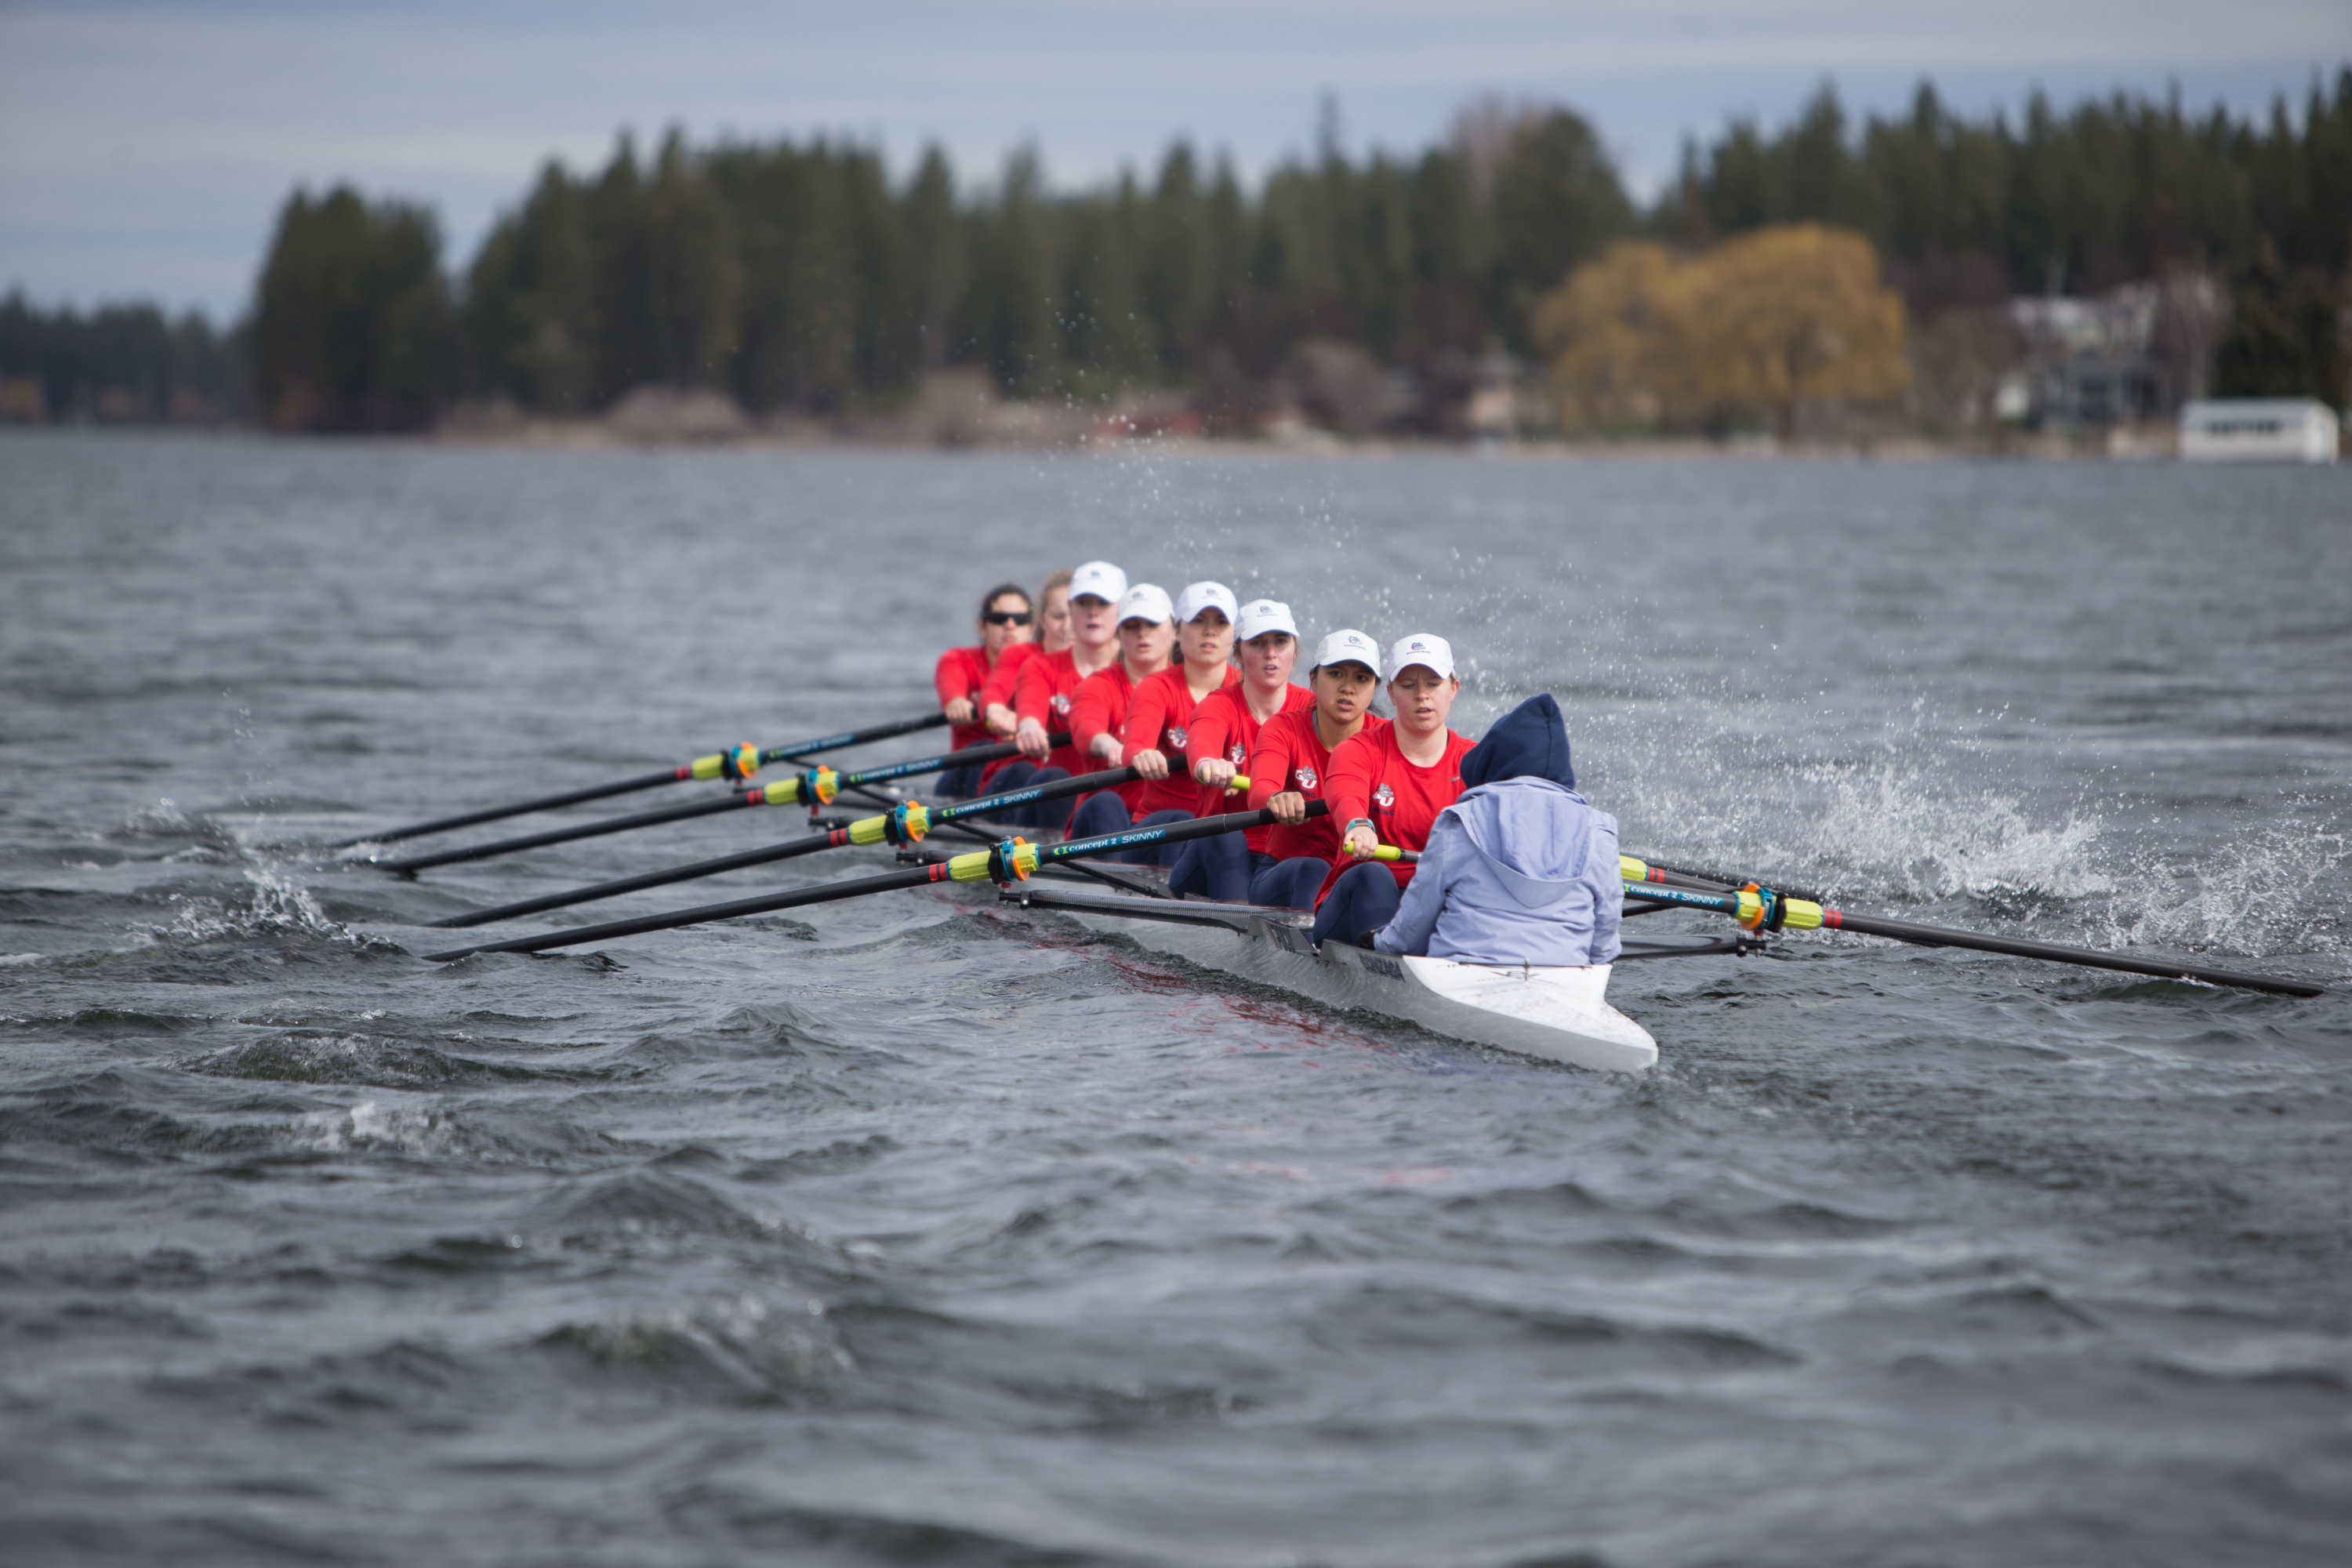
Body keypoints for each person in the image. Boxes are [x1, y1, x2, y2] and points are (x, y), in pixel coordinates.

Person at [1366, 693, 1621, 967]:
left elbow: (1413, 928)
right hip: (1567, 975)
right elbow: (1605, 942)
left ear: (1495, 762)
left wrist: (1379, 943)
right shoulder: (1600, 830)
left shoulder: (1459, 821)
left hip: (1462, 976)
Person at [1308, 633, 1475, 949]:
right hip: (1357, 903)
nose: (1422, 695)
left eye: (1433, 684)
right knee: (1375, 874)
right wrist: (1357, 825)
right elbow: (1346, 794)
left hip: (1433, 902)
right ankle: (1386, 961)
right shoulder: (1359, 750)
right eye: (1408, 685)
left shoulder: (1475, 761)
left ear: (1453, 689)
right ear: (1391, 693)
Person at [1168, 599, 1316, 902]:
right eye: (1258, 643)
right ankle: (1239, 935)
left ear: (1295, 650)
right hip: (1213, 854)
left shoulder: (1314, 711)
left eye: (1280, 641)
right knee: (1227, 838)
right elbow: (1202, 745)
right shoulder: (1218, 704)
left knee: (1312, 867)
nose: (1271, 653)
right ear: (1237, 652)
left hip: (1276, 861)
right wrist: (1208, 764)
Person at [1246, 627, 1385, 908]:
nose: (1348, 687)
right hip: (1284, 872)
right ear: (1313, 678)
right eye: (1335, 674)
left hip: (1353, 877)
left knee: (1378, 876)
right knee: (1315, 869)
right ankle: (1309, 948)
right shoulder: (1284, 728)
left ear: (1375, 689)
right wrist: (1276, 798)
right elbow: (1259, 790)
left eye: (1361, 678)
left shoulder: (1387, 740)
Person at [987, 560, 1125, 831]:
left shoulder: (1148, 668)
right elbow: (1031, 708)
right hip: (1061, 803)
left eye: (1103, 604)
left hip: (1124, 809)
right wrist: (1029, 727)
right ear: (1072, 610)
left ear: (1122, 611)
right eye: (1084, 604)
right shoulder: (1041, 666)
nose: (1093, 613)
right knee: (1051, 777)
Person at [1062, 583, 1181, 858]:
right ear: (1118, 634)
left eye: (1152, 623)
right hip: (1099, 824)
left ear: (1175, 631)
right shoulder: (1098, 686)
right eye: (1131, 625)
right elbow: (1084, 727)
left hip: (1155, 824)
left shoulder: (1193, 689)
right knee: (1106, 802)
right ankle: (1116, 889)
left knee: (1180, 818)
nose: (1142, 633)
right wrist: (1111, 746)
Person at [931, 582, 1034, 798]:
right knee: (983, 747)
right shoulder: (960, 660)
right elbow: (951, 685)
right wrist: (956, 702)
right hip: (962, 782)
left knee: (1027, 771)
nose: (1010, 625)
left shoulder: (1042, 670)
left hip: (1014, 780)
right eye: (999, 619)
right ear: (982, 626)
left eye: (1020, 619)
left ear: (1032, 629)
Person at [982, 568, 1073, 740]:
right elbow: (996, 690)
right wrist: (994, 712)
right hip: (1021, 762)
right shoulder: (1019, 655)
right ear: (1042, 621)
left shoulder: (1112, 664)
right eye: (1058, 617)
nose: (1067, 628)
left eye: (1074, 616)